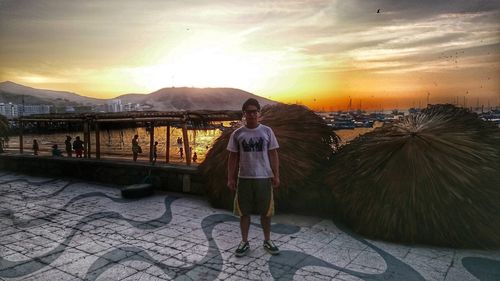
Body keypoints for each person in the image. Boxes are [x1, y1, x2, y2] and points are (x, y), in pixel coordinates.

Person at [227, 98, 280, 257]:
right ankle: (244, 241)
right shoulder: (238, 134)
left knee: (266, 212)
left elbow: (273, 153)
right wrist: (230, 178)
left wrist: (276, 174)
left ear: (259, 113)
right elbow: (233, 157)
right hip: (244, 178)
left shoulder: (267, 131)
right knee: (244, 212)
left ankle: (267, 240)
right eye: (248, 112)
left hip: (264, 177)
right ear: (244, 114)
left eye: (254, 111)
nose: (251, 114)